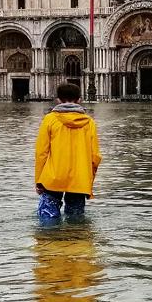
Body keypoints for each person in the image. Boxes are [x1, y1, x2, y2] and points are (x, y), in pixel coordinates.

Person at [35, 84, 101, 217]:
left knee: (47, 223)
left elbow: (41, 153)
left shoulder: (49, 120)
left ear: (58, 100)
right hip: (79, 180)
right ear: (79, 100)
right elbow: (95, 157)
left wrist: (39, 181)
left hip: (52, 179)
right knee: (76, 223)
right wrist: (88, 181)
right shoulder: (89, 122)